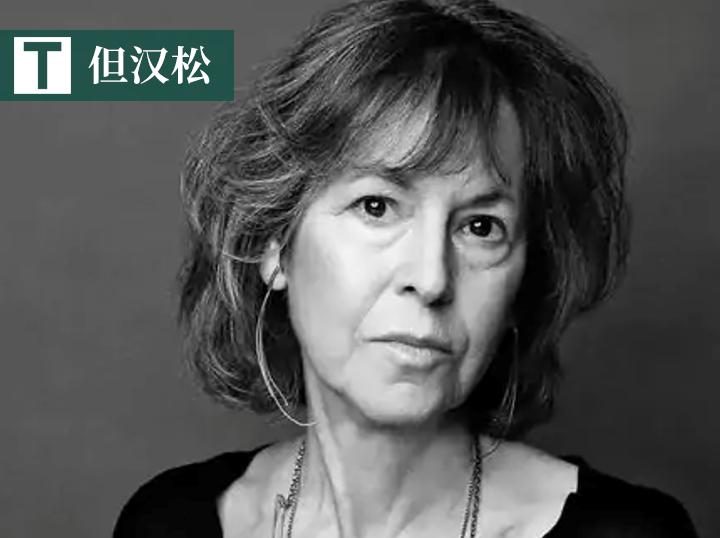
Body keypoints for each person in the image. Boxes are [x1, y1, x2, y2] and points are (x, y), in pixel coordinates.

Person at [113, 0, 700, 536]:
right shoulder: (169, 523)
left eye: (480, 227)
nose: (433, 278)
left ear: (523, 277)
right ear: (273, 242)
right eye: (377, 206)